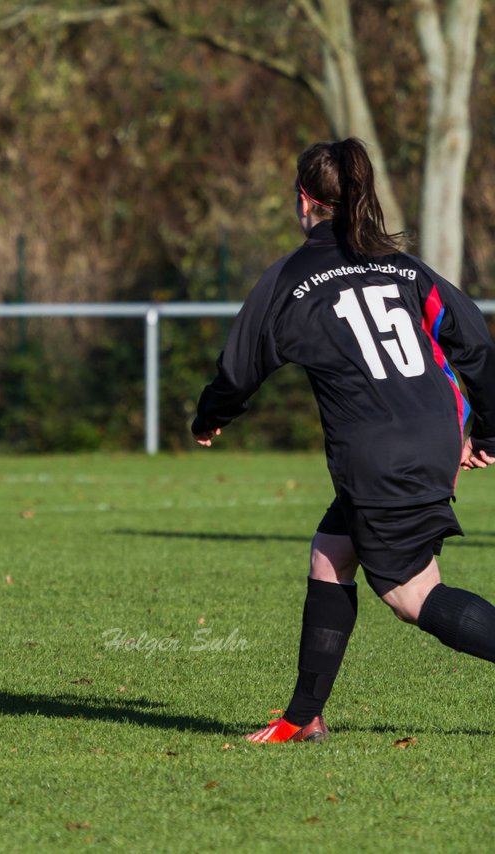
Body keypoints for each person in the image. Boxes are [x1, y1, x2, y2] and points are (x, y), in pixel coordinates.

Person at [192, 137, 495, 743]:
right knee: (332, 554)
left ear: (306, 202)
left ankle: (301, 718)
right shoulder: (403, 268)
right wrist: (484, 427)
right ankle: (303, 717)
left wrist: (210, 416)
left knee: (413, 594)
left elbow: (239, 370)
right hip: (430, 434)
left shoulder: (289, 279)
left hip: (378, 455)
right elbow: (477, 347)